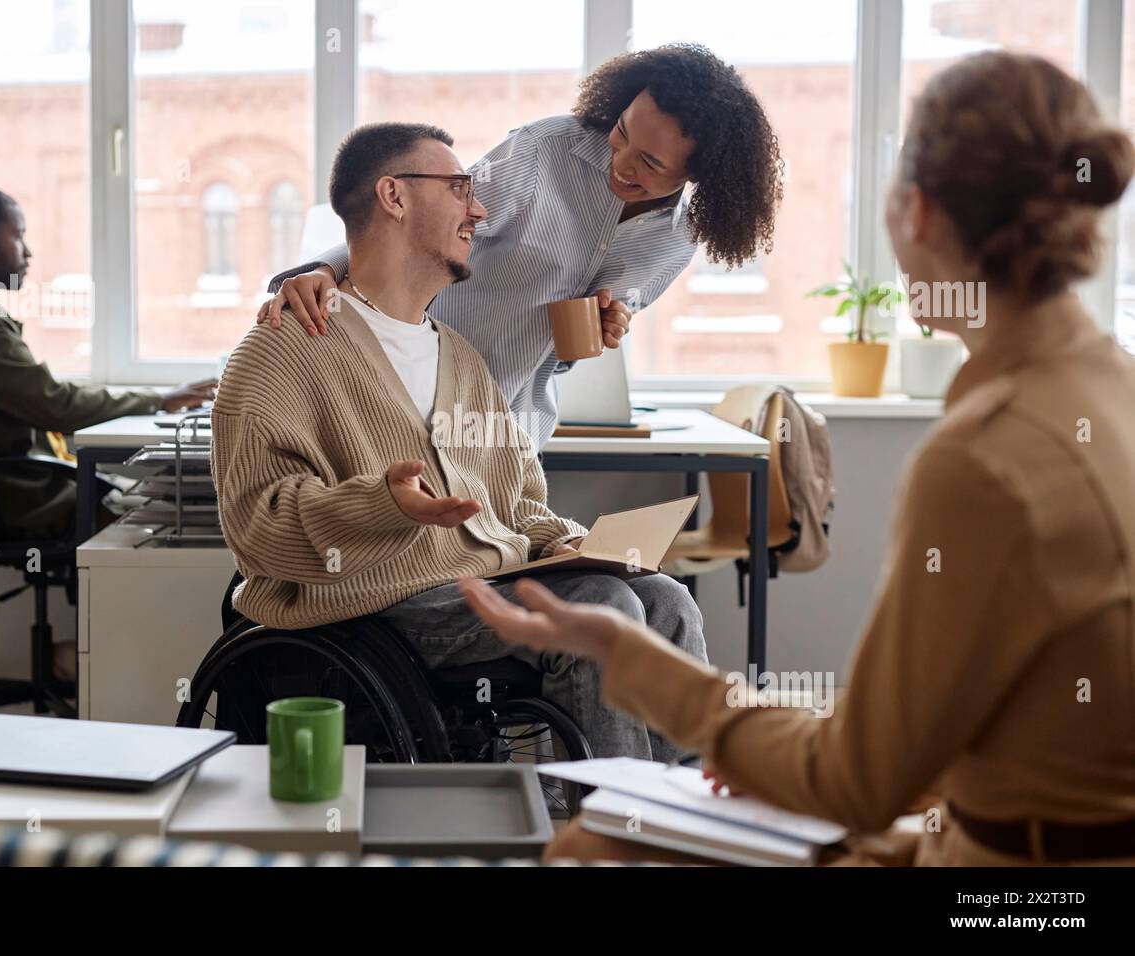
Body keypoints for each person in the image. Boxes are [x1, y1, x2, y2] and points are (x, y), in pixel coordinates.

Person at [459, 51, 1135, 866]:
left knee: (591, 849)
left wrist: (638, 663)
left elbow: (855, 779)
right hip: (1007, 827)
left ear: (916, 212)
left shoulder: (983, 459)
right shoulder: (1108, 389)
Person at [212, 122, 706, 760]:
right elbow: (258, 529)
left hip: (479, 583)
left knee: (666, 600)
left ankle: (685, 819)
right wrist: (382, 505)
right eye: (458, 188)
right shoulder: (286, 345)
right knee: (603, 607)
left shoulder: (462, 358)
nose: (478, 208)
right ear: (394, 197)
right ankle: (614, 838)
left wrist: (571, 544)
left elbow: (519, 502)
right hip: (380, 601)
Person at [258, 43, 783, 447]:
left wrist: (603, 328)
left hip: (512, 432)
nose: (622, 162)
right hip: (413, 403)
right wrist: (324, 270)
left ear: (698, 172)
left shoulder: (678, 238)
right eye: (623, 134)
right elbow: (423, 224)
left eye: (651, 163)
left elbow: (566, 354)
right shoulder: (544, 150)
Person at [0, 184, 216, 541]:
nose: (27, 252)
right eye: (18, 236)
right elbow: (54, 405)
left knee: (171, 498)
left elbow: (46, 396)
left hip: (36, 476)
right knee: (176, 521)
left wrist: (158, 398)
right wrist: (159, 400)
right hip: (28, 490)